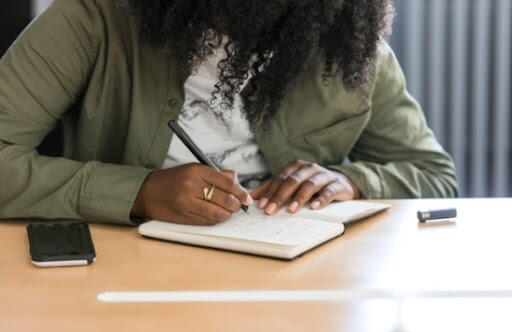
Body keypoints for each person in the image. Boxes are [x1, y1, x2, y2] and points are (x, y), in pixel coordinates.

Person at [0, 0, 458, 226]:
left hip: (297, 279)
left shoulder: (349, 44)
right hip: (130, 274)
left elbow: (433, 174)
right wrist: (137, 192)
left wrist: (352, 182)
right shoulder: (95, 16)